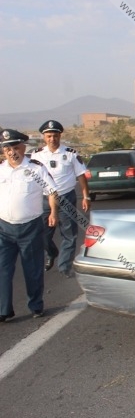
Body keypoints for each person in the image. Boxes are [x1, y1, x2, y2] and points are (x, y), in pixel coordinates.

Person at [0, 129, 58, 321]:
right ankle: (3, 310)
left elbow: (51, 191)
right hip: (4, 228)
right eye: (7, 149)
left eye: (15, 148)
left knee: (32, 269)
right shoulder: (1, 169)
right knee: (3, 269)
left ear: (23, 148)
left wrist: (53, 212)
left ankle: (36, 306)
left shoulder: (35, 169)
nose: (11, 152)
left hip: (30, 227)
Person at [30, 120, 89, 277]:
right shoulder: (36, 154)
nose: (52, 139)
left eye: (55, 136)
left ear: (60, 136)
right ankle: (51, 252)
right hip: (44, 198)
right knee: (41, 233)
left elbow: (81, 176)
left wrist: (86, 196)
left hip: (66, 196)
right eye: (49, 136)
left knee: (69, 234)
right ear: (44, 137)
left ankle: (64, 267)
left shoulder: (70, 153)